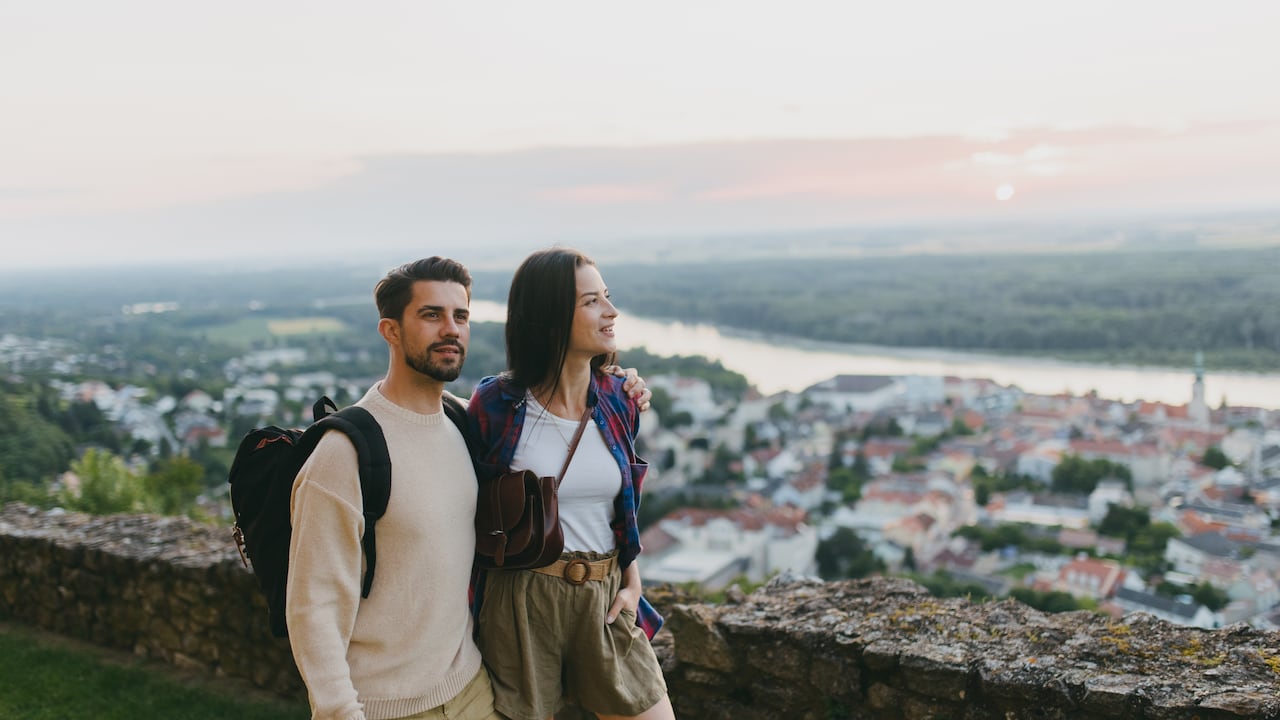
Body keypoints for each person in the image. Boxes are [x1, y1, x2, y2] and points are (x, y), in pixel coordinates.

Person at [285, 256, 650, 720]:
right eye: (431, 314)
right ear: (390, 331)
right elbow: (314, 605)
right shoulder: (346, 453)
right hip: (385, 704)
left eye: (461, 316)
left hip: (472, 690)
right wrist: (340, 711)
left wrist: (617, 383)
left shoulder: (465, 421)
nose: (451, 330)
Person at [467, 247, 676, 720]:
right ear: (550, 316)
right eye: (591, 302)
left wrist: (632, 580)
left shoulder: (620, 399)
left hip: (605, 595)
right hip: (522, 598)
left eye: (607, 296)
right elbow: (470, 508)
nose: (611, 311)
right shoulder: (497, 404)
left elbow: (621, 511)